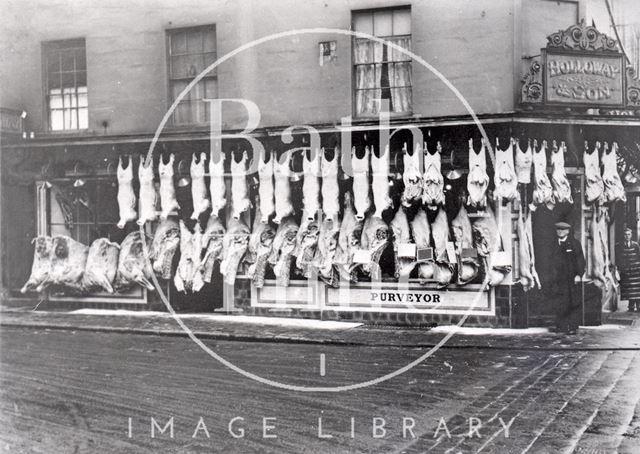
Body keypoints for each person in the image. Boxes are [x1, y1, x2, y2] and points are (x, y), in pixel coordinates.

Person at [550, 221, 585, 334]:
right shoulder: (553, 244)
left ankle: (572, 326)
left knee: (572, 302)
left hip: (571, 279)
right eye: (558, 229)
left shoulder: (574, 244)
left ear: (568, 231)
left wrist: (579, 275)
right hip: (558, 279)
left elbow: (580, 261)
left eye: (562, 229)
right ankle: (561, 326)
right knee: (559, 302)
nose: (560, 231)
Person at [616, 227, 640, 312]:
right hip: (626, 271)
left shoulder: (636, 245)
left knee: (637, 289)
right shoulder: (619, 245)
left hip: (636, 271)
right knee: (629, 289)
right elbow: (618, 258)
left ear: (631, 235)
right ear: (624, 235)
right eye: (625, 234)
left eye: (629, 234)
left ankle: (639, 306)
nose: (627, 236)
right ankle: (631, 307)